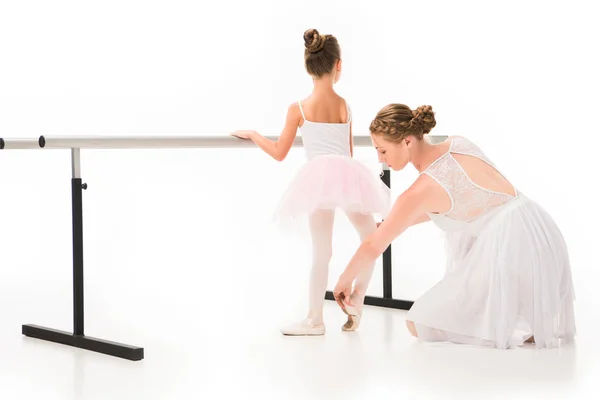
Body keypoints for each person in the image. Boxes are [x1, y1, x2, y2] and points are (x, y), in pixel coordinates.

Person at [333, 103, 576, 349]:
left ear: (407, 141)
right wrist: (391, 223)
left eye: (382, 150)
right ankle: (521, 316)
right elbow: (464, 202)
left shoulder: (419, 191)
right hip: (540, 232)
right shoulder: (459, 143)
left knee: (418, 322)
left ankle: (507, 324)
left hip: (511, 249)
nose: (379, 158)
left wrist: (344, 280)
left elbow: (374, 244)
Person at [231, 29, 390, 336]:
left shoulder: (299, 108)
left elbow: (280, 152)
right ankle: (357, 297)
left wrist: (254, 135)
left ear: (308, 67)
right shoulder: (345, 105)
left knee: (322, 252)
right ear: (338, 66)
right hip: (348, 174)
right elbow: (349, 152)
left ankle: (315, 319)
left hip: (317, 179)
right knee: (372, 239)